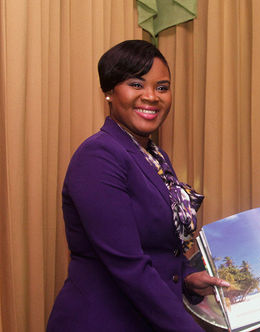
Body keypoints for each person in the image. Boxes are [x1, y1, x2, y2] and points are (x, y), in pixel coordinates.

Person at [47, 40, 229, 332]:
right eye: (136, 84)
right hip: (102, 321)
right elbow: (128, 264)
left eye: (162, 87)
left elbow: (159, 247)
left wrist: (186, 277)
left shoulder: (154, 156)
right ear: (109, 91)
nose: (151, 97)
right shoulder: (99, 156)